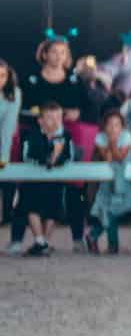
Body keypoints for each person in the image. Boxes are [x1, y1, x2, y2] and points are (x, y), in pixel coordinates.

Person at [15, 103, 81, 255]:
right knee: (31, 207)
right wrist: (51, 157)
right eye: (51, 118)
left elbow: (69, 156)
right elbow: (29, 156)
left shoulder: (66, 135)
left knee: (52, 209)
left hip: (55, 180)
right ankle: (40, 240)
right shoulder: (31, 134)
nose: (56, 121)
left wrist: (56, 157)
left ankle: (43, 242)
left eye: (58, 117)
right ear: (40, 120)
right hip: (33, 180)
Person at [86, 107, 131, 255]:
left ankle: (94, 236)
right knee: (109, 212)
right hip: (107, 181)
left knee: (114, 211)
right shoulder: (100, 137)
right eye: (110, 124)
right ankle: (111, 244)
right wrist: (112, 144)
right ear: (104, 125)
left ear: (122, 126)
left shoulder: (127, 136)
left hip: (122, 179)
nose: (113, 128)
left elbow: (120, 157)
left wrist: (113, 144)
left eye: (117, 125)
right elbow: (108, 158)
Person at [0, 58, 19, 252]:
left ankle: (7, 214)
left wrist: (3, 156)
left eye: (3, 76)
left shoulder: (14, 94)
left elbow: (7, 128)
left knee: (7, 181)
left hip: (6, 141)